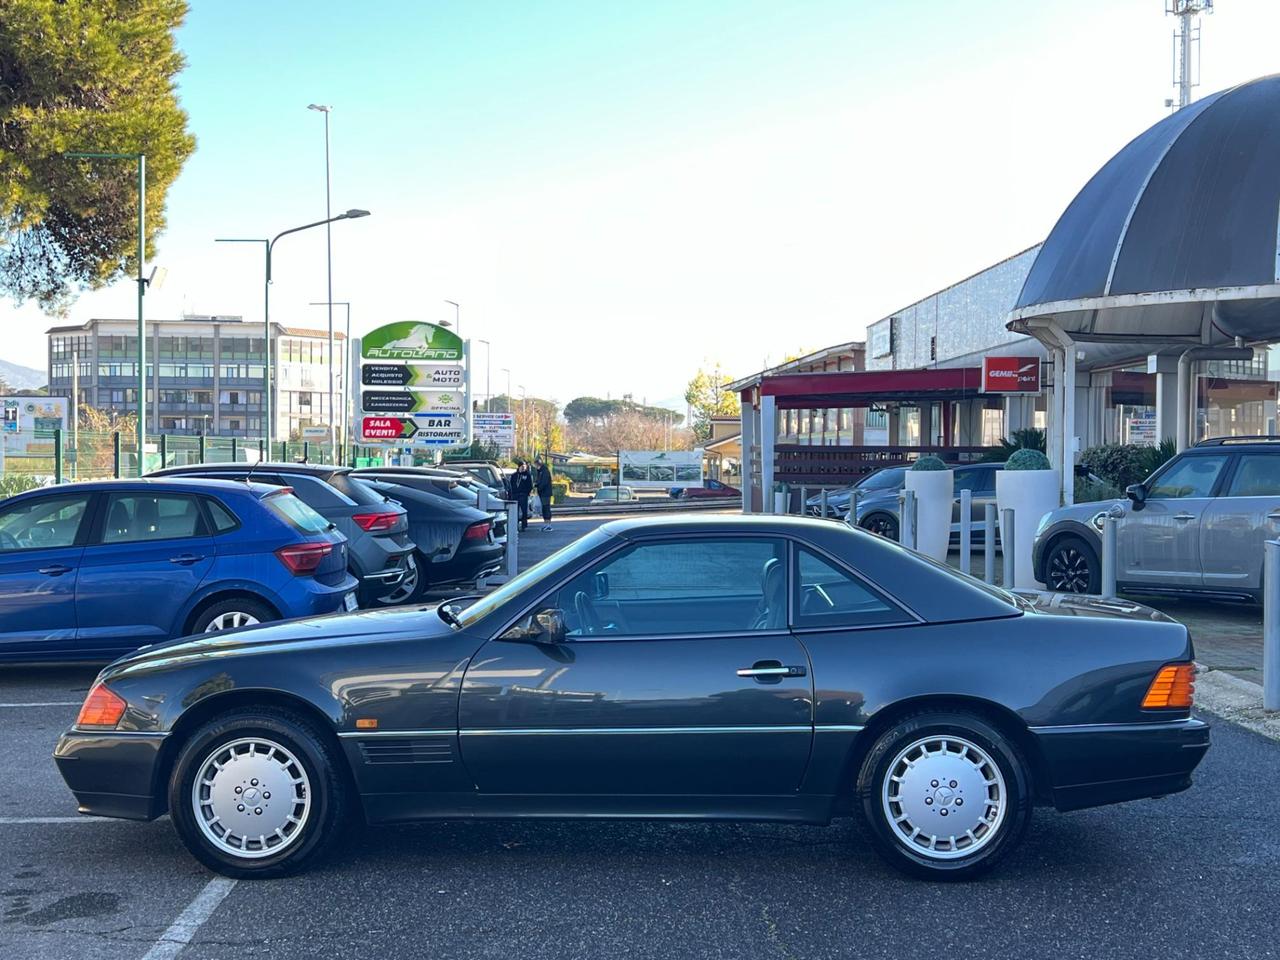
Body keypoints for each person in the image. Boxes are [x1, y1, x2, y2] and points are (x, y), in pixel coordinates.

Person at [512, 461, 533, 532]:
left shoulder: (527, 475)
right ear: (519, 466)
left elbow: (530, 485)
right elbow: (512, 485)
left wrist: (527, 492)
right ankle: (515, 525)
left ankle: (524, 525)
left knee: (524, 511)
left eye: (525, 466)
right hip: (516, 495)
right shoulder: (514, 475)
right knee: (515, 511)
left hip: (523, 495)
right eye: (522, 466)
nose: (524, 467)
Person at [533, 457, 553, 531]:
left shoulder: (544, 471)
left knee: (546, 508)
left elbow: (544, 482)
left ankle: (548, 524)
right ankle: (546, 524)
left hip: (545, 493)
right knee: (545, 509)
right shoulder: (541, 471)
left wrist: (538, 486)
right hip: (544, 492)